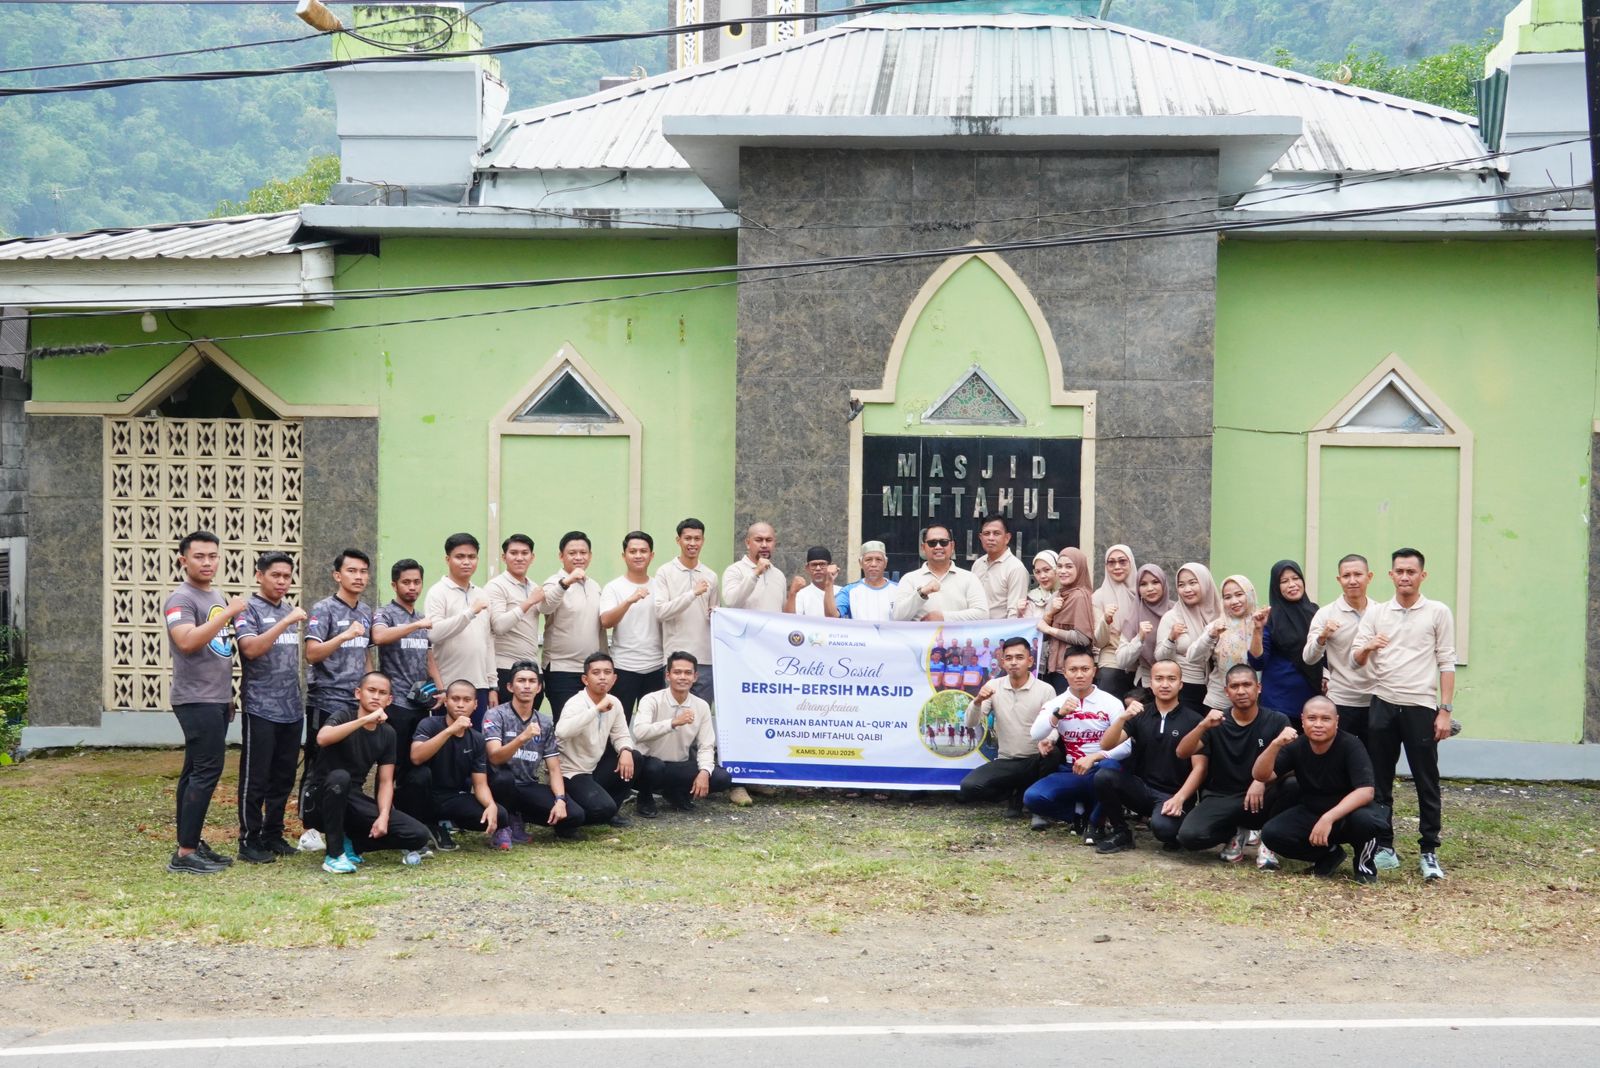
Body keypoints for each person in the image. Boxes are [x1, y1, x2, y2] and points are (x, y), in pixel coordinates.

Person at [1352, 547, 1456, 882]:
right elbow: (1357, 658)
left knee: (1426, 779)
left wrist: (1444, 710)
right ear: (1391, 575)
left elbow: (1446, 661)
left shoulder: (1438, 612)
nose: (1405, 577)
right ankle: (1384, 845)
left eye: (1411, 571)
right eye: (1399, 571)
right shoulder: (1378, 613)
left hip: (1421, 707)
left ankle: (1429, 850)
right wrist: (1369, 646)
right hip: (1382, 703)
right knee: (1380, 778)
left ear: (1422, 575)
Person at [162, 530, 248, 874]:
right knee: (206, 772)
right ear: (184, 560)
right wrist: (227, 614)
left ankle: (191, 842)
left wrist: (227, 696)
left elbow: (221, 652)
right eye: (200, 556)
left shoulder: (214, 594)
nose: (208, 562)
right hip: (194, 698)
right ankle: (184, 854)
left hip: (214, 698)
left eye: (213, 556)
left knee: (193, 771)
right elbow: (186, 641)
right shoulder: (180, 600)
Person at [300, 671, 432, 873]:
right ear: (358, 693)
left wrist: (384, 816)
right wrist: (365, 719)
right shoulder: (343, 716)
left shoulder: (388, 733)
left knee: (418, 834)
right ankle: (334, 855)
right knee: (339, 778)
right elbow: (323, 738)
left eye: (382, 693)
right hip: (322, 798)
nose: (376, 696)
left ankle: (354, 845)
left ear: (390, 700)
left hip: (353, 799)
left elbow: (386, 781)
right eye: (371, 690)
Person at [1256, 696, 1385, 883]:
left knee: (1367, 822)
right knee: (1272, 834)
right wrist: (1275, 744)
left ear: (1336, 721)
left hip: (1350, 812)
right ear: (1302, 720)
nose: (1318, 724)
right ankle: (1329, 855)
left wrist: (1328, 818)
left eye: (1325, 719)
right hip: (1312, 811)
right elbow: (1261, 775)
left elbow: (1366, 791)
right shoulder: (1296, 746)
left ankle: (1364, 866)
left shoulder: (1351, 745)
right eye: (1312, 718)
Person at [1174, 664, 1291, 867]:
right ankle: (1235, 832)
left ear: (1259, 688)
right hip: (1222, 796)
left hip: (1262, 797)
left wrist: (1260, 781)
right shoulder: (1217, 721)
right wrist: (1202, 725)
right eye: (1235, 686)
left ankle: (1269, 841)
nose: (1241, 691)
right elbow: (1182, 752)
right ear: (1227, 692)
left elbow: (1289, 763)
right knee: (1189, 837)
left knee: (1293, 784)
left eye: (1247, 685)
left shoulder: (1277, 720)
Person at [234, 551, 309, 864]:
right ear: (259, 576)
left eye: (287, 576)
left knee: (283, 776)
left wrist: (287, 616)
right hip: (260, 706)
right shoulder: (247, 609)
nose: (282, 582)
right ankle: (249, 840)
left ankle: (273, 833)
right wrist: (286, 621)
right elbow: (250, 649)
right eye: (276, 575)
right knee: (256, 777)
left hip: (291, 707)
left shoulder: (288, 609)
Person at [1092, 658, 1206, 853]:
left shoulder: (1194, 720)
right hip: (1143, 790)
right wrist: (1122, 717)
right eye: (1159, 678)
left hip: (1174, 795)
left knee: (1164, 831)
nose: (1164, 684)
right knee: (1104, 776)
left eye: (1171, 679)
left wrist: (1180, 798)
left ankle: (1177, 824)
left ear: (1181, 684)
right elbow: (1107, 744)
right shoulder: (1140, 714)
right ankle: (1121, 832)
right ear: (1150, 683)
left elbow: (1200, 768)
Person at [1022, 645, 1130, 836]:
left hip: (1102, 770)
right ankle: (1077, 816)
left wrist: (1094, 758)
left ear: (1094, 671)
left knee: (1111, 769)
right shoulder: (1056, 703)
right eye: (1073, 670)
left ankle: (1095, 824)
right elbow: (1036, 734)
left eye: (1085, 669)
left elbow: (1126, 747)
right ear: (1064, 673)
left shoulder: (1111, 702)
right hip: (1071, 771)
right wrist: (1058, 715)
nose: (1079, 675)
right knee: (1032, 797)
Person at [482, 660, 586, 840]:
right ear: (510, 686)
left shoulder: (544, 722)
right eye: (521, 681)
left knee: (575, 815)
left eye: (532, 681)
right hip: (499, 784)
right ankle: (505, 824)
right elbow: (495, 758)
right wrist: (523, 737)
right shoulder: (496, 714)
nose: (527, 686)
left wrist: (560, 800)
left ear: (539, 688)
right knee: (503, 778)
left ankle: (521, 816)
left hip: (527, 785)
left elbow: (554, 768)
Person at [957, 636, 1061, 816]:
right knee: (969, 787)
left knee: (1054, 754)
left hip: (1035, 758)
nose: (1014, 662)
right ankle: (1013, 793)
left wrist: (1049, 740)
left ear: (1030, 661)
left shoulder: (1045, 689)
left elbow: (1054, 725)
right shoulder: (993, 686)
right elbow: (970, 723)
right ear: (1003, 662)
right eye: (1009, 658)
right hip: (1007, 760)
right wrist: (978, 701)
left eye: (1019, 657)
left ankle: (1036, 809)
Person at [406, 680, 510, 850]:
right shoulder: (429, 724)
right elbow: (416, 757)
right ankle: (423, 825)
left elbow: (480, 783)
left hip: (452, 798)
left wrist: (490, 805)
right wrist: (449, 731)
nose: (461, 705)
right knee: (420, 775)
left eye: (467, 700)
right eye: (455, 699)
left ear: (475, 705)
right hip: (421, 794)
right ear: (446, 701)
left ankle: (445, 823)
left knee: (500, 815)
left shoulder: (477, 739)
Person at [630, 651, 736, 817]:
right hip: (648, 765)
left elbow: (706, 744)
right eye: (677, 672)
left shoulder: (700, 706)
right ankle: (645, 796)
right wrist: (672, 723)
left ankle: (674, 792)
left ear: (695, 677)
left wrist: (704, 772)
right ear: (668, 675)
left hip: (678, 766)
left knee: (721, 777)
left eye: (688, 673)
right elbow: (639, 733)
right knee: (654, 767)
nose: (682, 677)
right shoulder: (651, 699)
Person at [303, 549, 375, 780]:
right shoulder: (323, 608)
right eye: (352, 571)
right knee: (319, 763)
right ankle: (312, 814)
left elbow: (365, 654)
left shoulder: (365, 611)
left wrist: (372, 688)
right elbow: (311, 654)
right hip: (327, 700)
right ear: (337, 576)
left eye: (363, 572)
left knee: (350, 765)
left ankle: (344, 814)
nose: (359, 577)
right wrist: (344, 635)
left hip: (356, 702)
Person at [553, 652, 638, 827]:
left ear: (614, 678)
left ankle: (610, 811)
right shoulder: (575, 703)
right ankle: (568, 820)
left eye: (607, 673)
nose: (602, 677)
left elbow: (621, 734)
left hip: (594, 769)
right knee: (601, 808)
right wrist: (596, 710)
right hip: (571, 773)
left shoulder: (614, 702)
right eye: (596, 672)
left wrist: (625, 750)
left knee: (634, 758)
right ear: (585, 679)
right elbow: (561, 732)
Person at [372, 558, 443, 758]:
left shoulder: (421, 617)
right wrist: (415, 626)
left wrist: (441, 689)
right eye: (406, 582)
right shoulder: (385, 613)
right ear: (394, 585)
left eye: (417, 582)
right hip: (395, 702)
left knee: (417, 762)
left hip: (420, 701)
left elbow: (428, 658)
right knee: (392, 762)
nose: (412, 587)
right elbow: (379, 636)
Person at [1303, 553, 1377, 742]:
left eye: (1358, 575)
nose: (1352, 581)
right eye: (1346, 576)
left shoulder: (1381, 612)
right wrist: (1323, 636)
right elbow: (1308, 658)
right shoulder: (1326, 614)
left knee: (1377, 762)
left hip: (1377, 700)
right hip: (1342, 701)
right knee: (1340, 762)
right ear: (1339, 579)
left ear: (1369, 577)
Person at [423, 533, 495, 725]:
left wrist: (492, 684)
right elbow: (434, 633)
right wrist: (470, 612)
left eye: (471, 557)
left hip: (479, 686)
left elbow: (487, 642)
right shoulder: (437, 592)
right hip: (448, 687)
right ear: (448, 559)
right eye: (460, 557)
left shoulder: (481, 594)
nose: (466, 562)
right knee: (446, 743)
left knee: (476, 743)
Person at [540, 531, 607, 723]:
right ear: (561, 556)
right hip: (562, 670)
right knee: (566, 726)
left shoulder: (594, 586)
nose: (579, 557)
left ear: (590, 556)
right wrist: (567, 582)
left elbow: (600, 627)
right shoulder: (554, 582)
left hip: (591, 671)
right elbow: (545, 606)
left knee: (592, 725)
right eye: (572, 553)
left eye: (583, 552)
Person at [600, 531, 665, 720]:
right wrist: (629, 600)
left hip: (656, 667)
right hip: (623, 667)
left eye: (643, 551)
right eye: (633, 551)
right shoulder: (613, 587)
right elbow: (606, 621)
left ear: (651, 555)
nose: (638, 555)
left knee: (653, 726)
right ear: (624, 555)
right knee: (618, 724)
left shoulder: (660, 586)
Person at [652, 518, 719, 703]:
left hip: (705, 660)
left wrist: (716, 613)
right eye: (687, 538)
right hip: (675, 658)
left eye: (697, 539)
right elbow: (660, 612)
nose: (692, 543)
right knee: (676, 717)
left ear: (703, 541)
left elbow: (713, 617)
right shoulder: (664, 572)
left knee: (702, 717)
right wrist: (692, 594)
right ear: (678, 540)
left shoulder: (711, 576)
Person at [1247, 560, 1322, 726]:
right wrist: (1258, 630)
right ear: (1276, 586)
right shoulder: (1270, 616)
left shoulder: (1315, 611)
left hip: (1312, 701)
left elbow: (1325, 653)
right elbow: (1257, 662)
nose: (1292, 584)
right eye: (1284, 581)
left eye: (1296, 578)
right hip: (1279, 704)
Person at [1186, 574, 1258, 713]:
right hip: (1219, 702)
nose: (1234, 601)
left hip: (1254, 703)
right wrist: (1211, 635)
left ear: (1249, 594)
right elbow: (1192, 657)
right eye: (1227, 597)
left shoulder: (1261, 623)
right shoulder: (1218, 625)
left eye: (1239, 594)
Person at [487, 533, 544, 707]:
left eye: (525, 553)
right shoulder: (496, 586)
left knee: (531, 727)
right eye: (514, 553)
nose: (519, 558)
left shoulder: (534, 587)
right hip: (504, 668)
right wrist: (528, 602)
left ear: (532, 557)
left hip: (533, 667)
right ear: (504, 557)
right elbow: (499, 626)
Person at [1156, 563, 1221, 714]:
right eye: (1181, 585)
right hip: (1186, 688)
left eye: (1193, 583)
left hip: (1218, 691)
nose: (1187, 590)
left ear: (1205, 583)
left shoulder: (1221, 615)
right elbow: (1160, 658)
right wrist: (1171, 638)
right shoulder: (1172, 618)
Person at [894, 525, 986, 621]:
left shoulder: (969, 578)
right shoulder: (910, 579)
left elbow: (982, 614)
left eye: (943, 542)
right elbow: (898, 617)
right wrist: (921, 593)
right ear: (923, 547)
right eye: (932, 543)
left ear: (952, 546)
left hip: (958, 636)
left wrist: (943, 617)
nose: (938, 547)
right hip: (922, 636)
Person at [1111, 563, 1174, 704]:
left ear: (1163, 583)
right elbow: (1121, 661)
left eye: (1155, 582)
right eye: (1143, 584)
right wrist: (1139, 638)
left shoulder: (1176, 612)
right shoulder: (1134, 617)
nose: (1150, 588)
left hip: (1177, 685)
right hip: (1147, 686)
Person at [1038, 546, 1094, 692]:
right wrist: (1051, 613)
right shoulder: (1059, 594)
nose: (1063, 571)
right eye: (1060, 566)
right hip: (1054, 666)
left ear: (1080, 568)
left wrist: (1050, 629)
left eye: (1069, 566)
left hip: (1071, 669)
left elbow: (1083, 638)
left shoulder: (1079, 596)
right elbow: (1041, 629)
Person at [1091, 544, 1141, 699]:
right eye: (1111, 562)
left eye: (1122, 561)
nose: (1117, 567)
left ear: (1131, 563)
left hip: (1141, 665)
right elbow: (1099, 642)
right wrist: (1105, 621)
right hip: (1112, 663)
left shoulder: (1144, 593)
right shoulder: (1099, 597)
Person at [970, 516, 1029, 619]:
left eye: (996, 533)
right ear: (980, 537)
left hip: (1001, 632)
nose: (991, 538)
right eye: (986, 533)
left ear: (1007, 538)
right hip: (975, 630)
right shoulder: (978, 564)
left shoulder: (1016, 568)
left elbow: (1014, 612)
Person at [722, 521, 786, 612]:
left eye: (768, 540)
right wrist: (756, 573)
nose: (764, 545)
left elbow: (782, 612)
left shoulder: (779, 575)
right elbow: (730, 602)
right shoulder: (735, 570)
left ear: (774, 543)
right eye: (759, 540)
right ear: (748, 543)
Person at [835, 540, 896, 621]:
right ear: (860, 563)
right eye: (868, 559)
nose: (873, 564)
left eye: (878, 559)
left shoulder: (899, 590)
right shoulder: (849, 591)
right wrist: (828, 583)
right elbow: (833, 616)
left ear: (885, 563)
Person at [788, 546, 841, 617]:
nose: (818, 568)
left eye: (822, 564)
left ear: (830, 566)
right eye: (814, 565)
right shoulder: (801, 595)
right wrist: (792, 593)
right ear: (807, 568)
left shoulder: (842, 592)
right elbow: (791, 620)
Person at [1020, 549, 1058, 620]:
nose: (1042, 576)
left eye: (1047, 570)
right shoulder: (1031, 599)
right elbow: (1028, 627)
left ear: (1057, 569)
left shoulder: (1069, 595)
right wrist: (1020, 614)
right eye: (1037, 572)